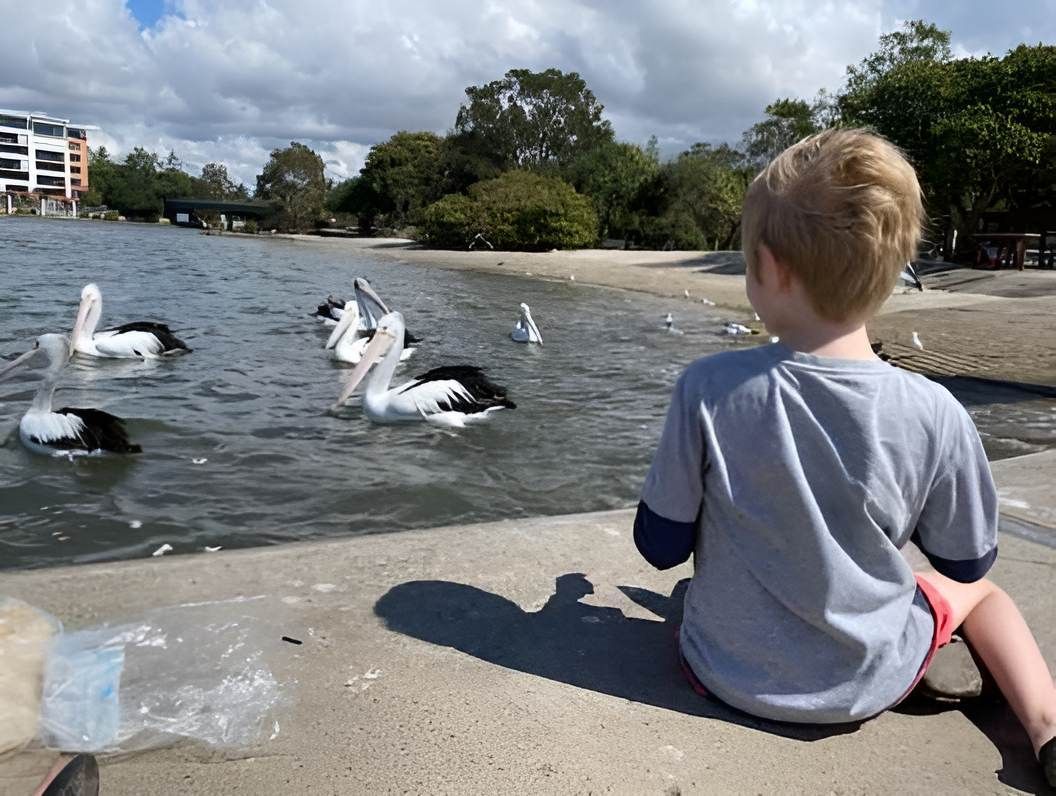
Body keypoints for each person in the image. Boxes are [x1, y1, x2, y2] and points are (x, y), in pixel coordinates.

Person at [634, 128, 1056, 786]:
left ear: (771, 269)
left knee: (697, 587)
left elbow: (660, 546)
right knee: (982, 595)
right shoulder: (935, 411)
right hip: (867, 683)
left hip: (721, 675)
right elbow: (967, 559)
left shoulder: (709, 388)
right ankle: (1046, 729)